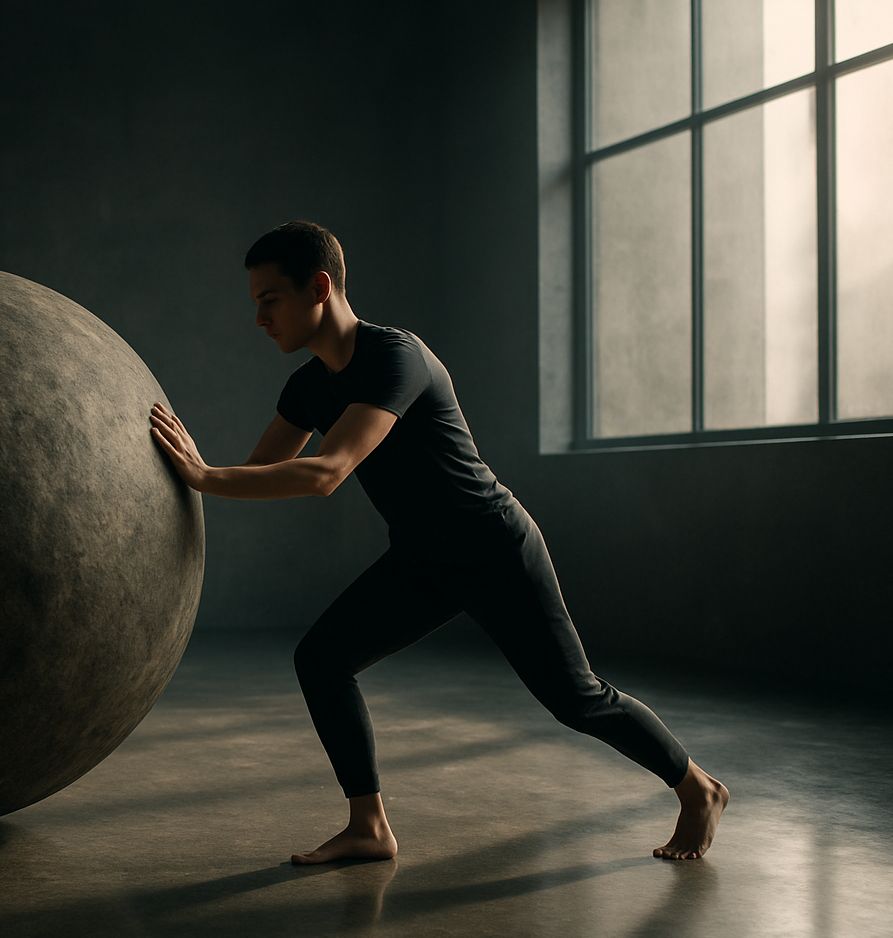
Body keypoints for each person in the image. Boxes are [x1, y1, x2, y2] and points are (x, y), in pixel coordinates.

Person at [149, 221, 728, 864]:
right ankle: (369, 827)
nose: (258, 318)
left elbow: (326, 473)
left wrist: (203, 476)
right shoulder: (308, 386)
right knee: (321, 659)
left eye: (269, 299)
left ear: (320, 287)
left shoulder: (397, 358)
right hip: (424, 560)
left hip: (494, 548)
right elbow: (261, 471)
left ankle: (698, 788)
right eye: (254, 301)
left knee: (577, 699)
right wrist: (186, 472)